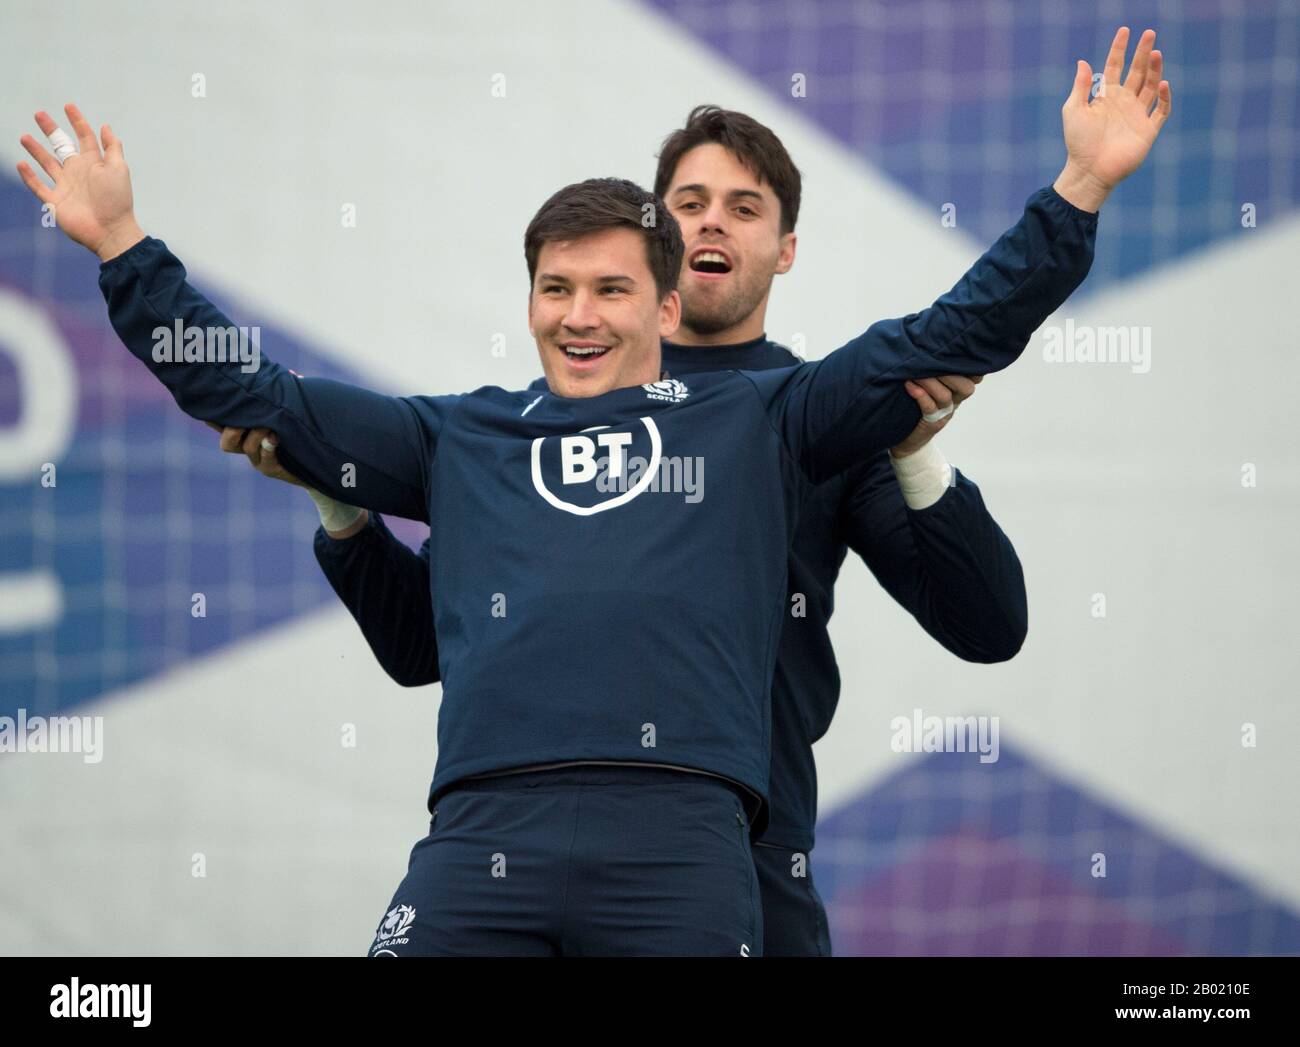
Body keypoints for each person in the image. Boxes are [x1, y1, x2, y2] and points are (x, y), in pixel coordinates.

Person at [14, 30, 1167, 955]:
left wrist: (1074, 190)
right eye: (558, 287)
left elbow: (960, 354)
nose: (581, 311)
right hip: (484, 832)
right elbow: (266, 407)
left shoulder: (787, 418)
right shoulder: (472, 433)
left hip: (719, 846)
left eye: (612, 286)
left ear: (674, 297)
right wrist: (123, 248)